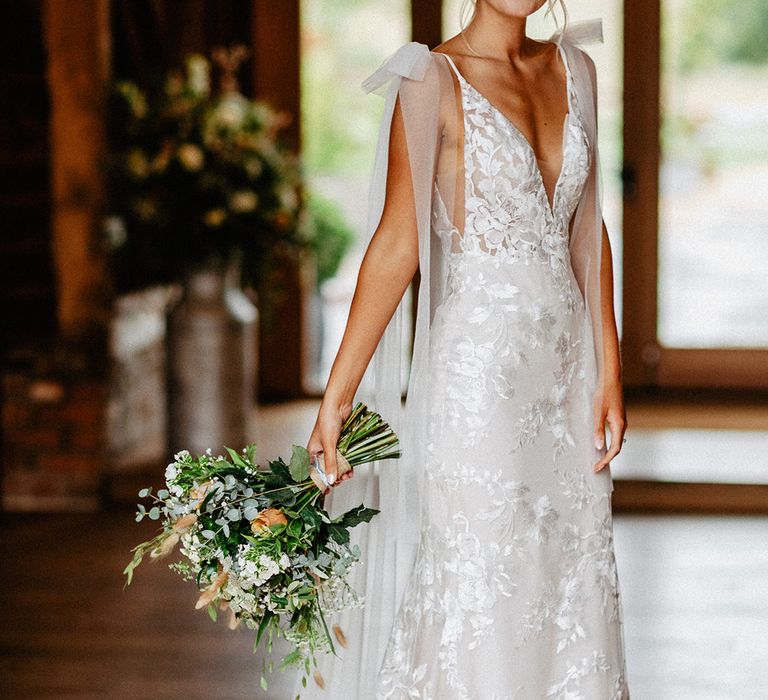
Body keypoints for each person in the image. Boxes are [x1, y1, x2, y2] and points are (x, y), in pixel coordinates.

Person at [302, 1, 630, 697]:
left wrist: (610, 369)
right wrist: (338, 397)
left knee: (568, 579)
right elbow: (397, 242)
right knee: (482, 582)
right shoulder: (431, 79)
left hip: (566, 378)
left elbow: (585, 229)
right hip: (478, 382)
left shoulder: (579, 70)